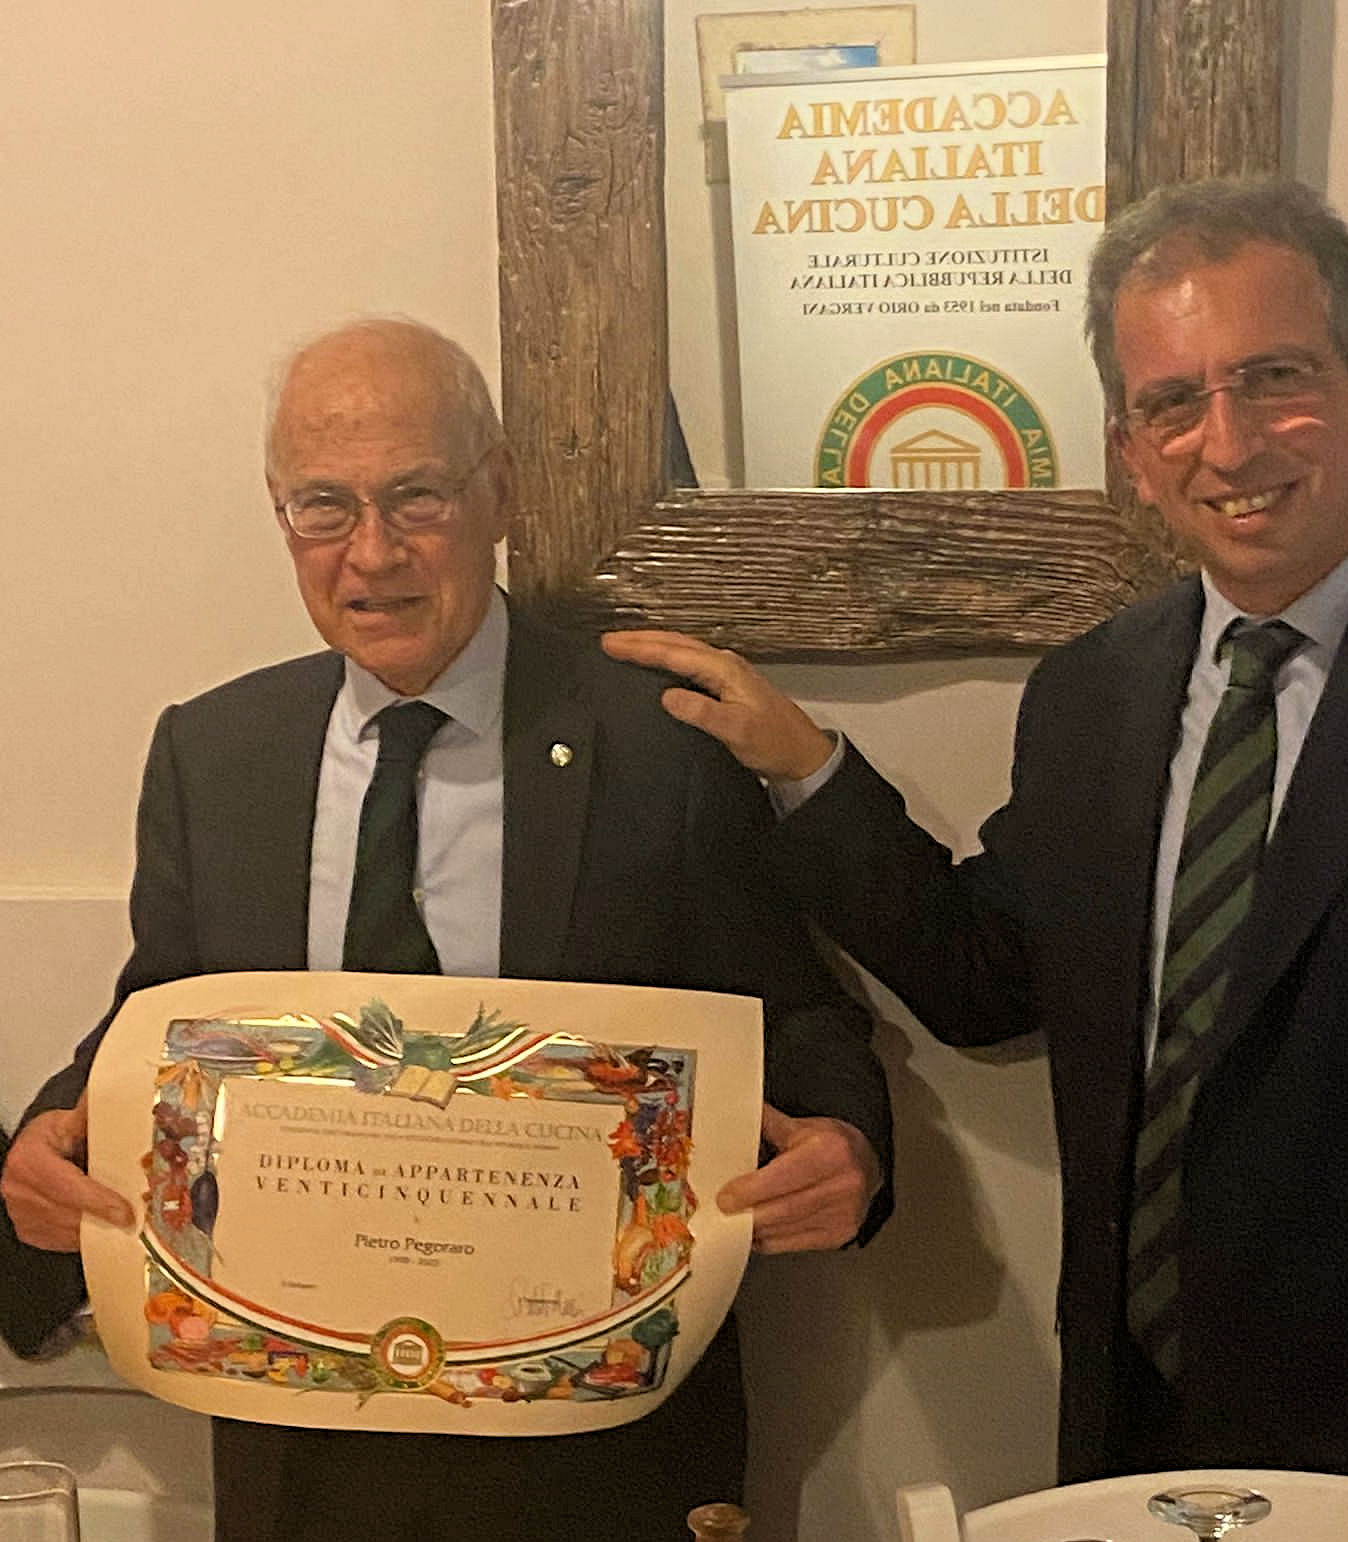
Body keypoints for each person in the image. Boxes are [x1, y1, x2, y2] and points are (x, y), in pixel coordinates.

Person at [603, 179, 1348, 1542]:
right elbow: (988, 979)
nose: (1227, 441)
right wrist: (805, 767)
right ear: (1130, 450)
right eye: (1174, 402)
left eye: (1274, 379)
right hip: (1142, 1417)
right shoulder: (1099, 688)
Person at [0, 319, 893, 1541]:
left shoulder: (659, 743)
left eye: (416, 496)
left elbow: (790, 1014)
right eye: (324, 506)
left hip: (596, 1443)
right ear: (281, 514)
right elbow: (162, 1015)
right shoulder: (214, 754)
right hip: (296, 1431)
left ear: (499, 492)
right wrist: (54, 1135)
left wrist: (849, 1142)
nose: (372, 553)